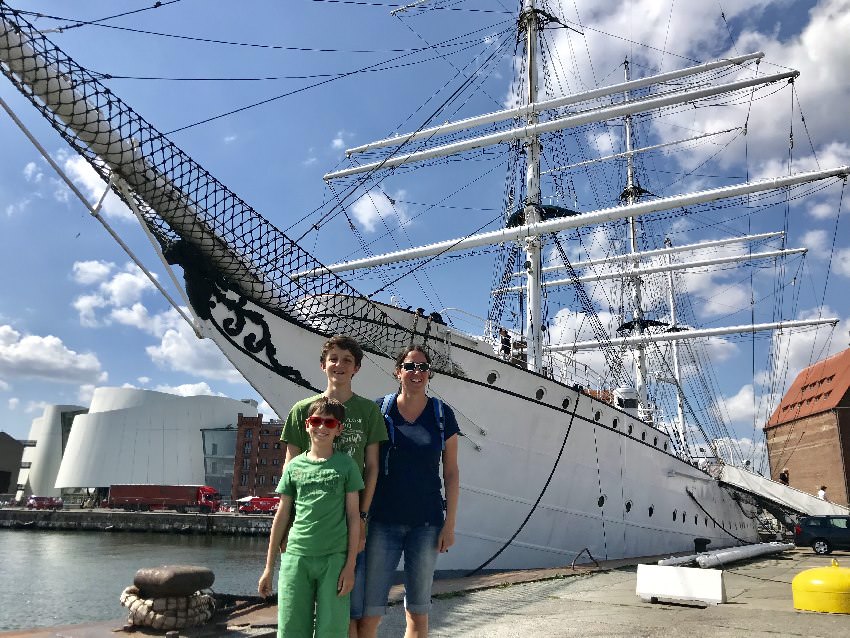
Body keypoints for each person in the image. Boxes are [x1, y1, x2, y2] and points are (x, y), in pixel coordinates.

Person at [280, 335, 387, 636]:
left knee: (343, 606)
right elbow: (290, 468)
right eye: (334, 359)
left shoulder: (368, 411)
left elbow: (373, 467)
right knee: (297, 608)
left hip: (348, 523)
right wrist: (286, 524)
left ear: (357, 369)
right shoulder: (303, 410)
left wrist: (363, 517)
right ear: (323, 365)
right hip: (309, 525)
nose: (339, 365)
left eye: (347, 360)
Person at [359, 345, 460, 638]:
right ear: (398, 371)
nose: (417, 372)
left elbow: (451, 472)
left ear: (429, 373)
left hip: (426, 524)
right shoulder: (380, 409)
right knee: (371, 611)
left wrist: (449, 524)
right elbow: (368, 466)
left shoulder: (442, 414)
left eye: (422, 367)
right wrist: (361, 519)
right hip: (382, 522)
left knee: (418, 611)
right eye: (410, 366)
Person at [259, 397, 363, 637]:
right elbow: (282, 515)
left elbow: (353, 517)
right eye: (316, 421)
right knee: (291, 626)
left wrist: (350, 566)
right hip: (296, 557)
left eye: (329, 423)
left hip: (334, 559)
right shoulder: (294, 467)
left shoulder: (346, 466)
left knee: (332, 628)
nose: (322, 427)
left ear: (339, 429)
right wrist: (268, 567)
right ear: (307, 425)